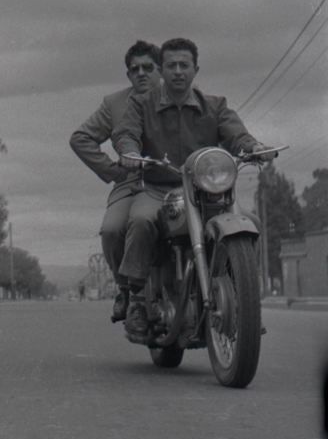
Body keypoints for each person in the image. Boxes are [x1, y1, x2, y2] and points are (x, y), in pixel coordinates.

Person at [114, 37, 269, 337]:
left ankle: (245, 301)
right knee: (142, 220)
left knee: (252, 222)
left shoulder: (215, 106)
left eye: (184, 65)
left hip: (205, 191)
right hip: (160, 189)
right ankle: (136, 301)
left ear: (195, 69)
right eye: (170, 65)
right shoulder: (140, 104)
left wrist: (254, 147)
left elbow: (236, 134)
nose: (178, 71)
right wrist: (130, 152)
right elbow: (126, 133)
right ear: (161, 70)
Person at [69, 40, 163, 323]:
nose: (142, 74)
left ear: (160, 70)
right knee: (111, 231)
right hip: (132, 183)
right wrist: (114, 172)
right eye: (135, 69)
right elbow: (80, 139)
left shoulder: (176, 98)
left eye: (149, 67)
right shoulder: (115, 103)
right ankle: (125, 288)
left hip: (174, 181)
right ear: (128, 75)